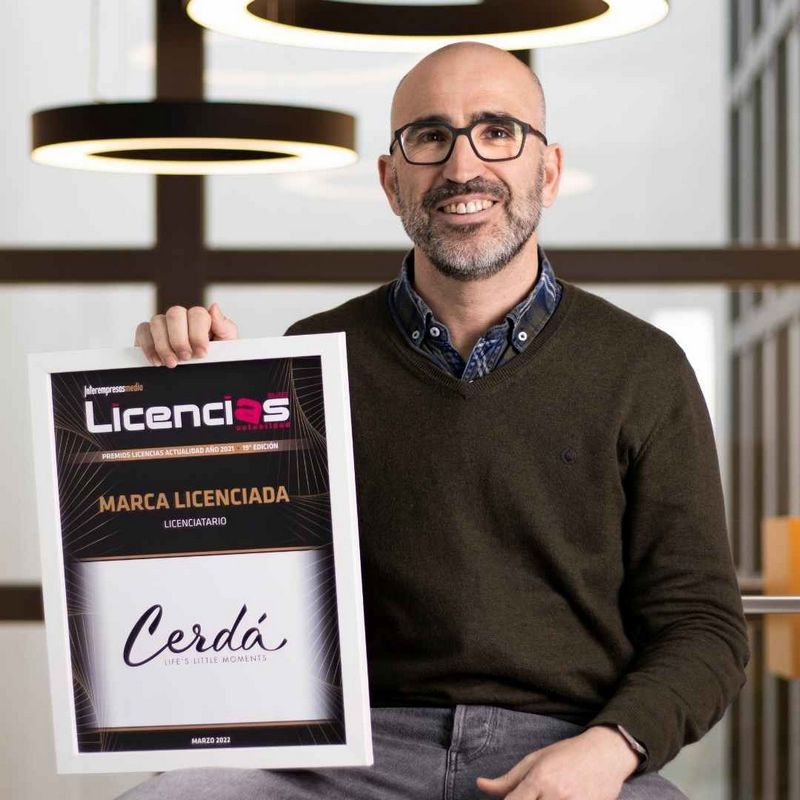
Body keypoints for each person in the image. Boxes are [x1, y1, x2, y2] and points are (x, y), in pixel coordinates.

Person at [124, 42, 749, 800]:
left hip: (569, 746)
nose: (462, 166)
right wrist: (198, 395)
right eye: (429, 136)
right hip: (344, 754)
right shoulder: (312, 357)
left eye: (497, 131)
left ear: (549, 172)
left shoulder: (642, 367)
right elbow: (230, 578)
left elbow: (703, 627)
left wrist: (609, 749)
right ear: (391, 182)